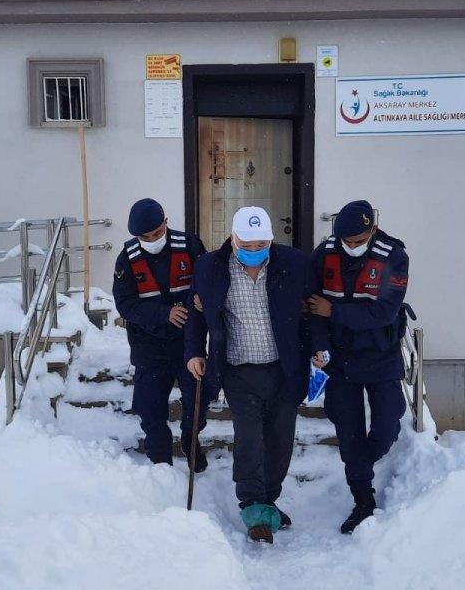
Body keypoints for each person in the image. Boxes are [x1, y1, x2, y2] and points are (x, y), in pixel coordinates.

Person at [185, 207, 311, 544]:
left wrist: (318, 349)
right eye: (247, 244)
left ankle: (268, 500)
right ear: (233, 237)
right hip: (238, 370)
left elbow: (312, 311)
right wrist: (195, 352)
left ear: (271, 239)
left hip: (284, 369)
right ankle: (254, 507)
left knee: (280, 441)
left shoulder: (294, 263)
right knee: (250, 438)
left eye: (261, 245)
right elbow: (197, 315)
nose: (254, 251)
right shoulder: (210, 268)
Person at [307, 200, 410, 534]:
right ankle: (363, 500)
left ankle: (361, 464)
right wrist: (320, 345)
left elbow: (384, 312)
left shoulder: (394, 255)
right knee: (349, 433)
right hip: (342, 360)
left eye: (356, 240)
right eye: (345, 241)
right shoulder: (324, 254)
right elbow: (313, 307)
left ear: (372, 230)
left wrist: (333, 312)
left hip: (381, 356)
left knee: (386, 428)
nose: (350, 247)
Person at [112, 198, 215, 470]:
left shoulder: (190, 246)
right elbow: (125, 304)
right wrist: (163, 313)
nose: (151, 239)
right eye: (144, 237)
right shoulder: (127, 259)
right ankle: (160, 463)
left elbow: (208, 282)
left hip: (187, 344)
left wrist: (204, 302)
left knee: (197, 402)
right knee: (150, 410)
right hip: (149, 347)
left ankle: (191, 441)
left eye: (156, 233)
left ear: (166, 223)